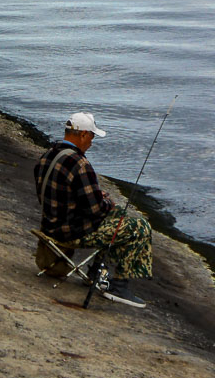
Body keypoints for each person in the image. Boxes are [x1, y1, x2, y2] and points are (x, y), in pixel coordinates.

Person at [34, 112, 152, 308]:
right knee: (139, 226)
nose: (92, 142)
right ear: (83, 135)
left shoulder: (48, 155)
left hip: (50, 224)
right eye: (92, 136)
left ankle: (96, 271)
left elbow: (62, 194)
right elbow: (96, 211)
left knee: (119, 216)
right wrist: (106, 202)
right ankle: (119, 287)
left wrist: (96, 197)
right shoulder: (80, 164)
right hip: (70, 232)